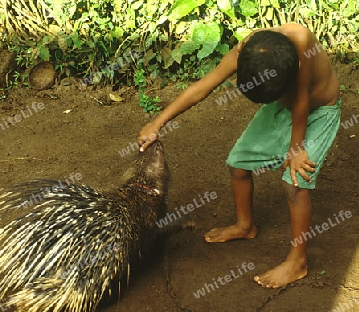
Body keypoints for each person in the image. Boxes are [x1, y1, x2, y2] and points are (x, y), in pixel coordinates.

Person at [138, 23, 341, 289]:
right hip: (285, 107)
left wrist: (296, 149)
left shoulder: (301, 40)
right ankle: (245, 226)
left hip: (319, 111)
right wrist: (158, 122)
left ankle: (297, 262)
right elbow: (202, 87)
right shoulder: (247, 50)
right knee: (237, 164)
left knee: (294, 182)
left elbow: (301, 100)